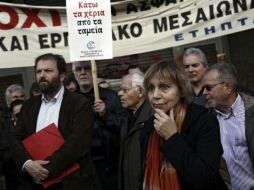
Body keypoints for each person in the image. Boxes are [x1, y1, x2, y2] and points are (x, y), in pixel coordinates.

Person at [10, 53, 100, 190]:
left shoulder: (80, 103)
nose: (42, 75)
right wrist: (27, 163)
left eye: (48, 71)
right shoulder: (29, 105)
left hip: (72, 183)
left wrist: (44, 170)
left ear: (62, 76)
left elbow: (77, 144)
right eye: (39, 71)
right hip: (36, 183)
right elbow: (15, 138)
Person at [140, 61, 227, 190]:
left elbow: (205, 178)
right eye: (151, 88)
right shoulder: (149, 126)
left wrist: (172, 137)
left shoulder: (204, 121)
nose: (155, 95)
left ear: (181, 91)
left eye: (164, 87)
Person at [72, 61, 125, 190]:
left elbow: (123, 125)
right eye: (78, 69)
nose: (83, 72)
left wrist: (105, 114)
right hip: (85, 167)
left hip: (111, 166)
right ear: (74, 73)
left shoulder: (111, 96)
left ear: (94, 71)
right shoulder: (70, 101)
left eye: (87, 68)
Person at [202, 62, 254, 190]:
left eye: (208, 87)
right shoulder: (207, 119)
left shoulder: (251, 112)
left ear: (227, 87)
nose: (204, 92)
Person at [118, 72, 153, 190]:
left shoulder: (152, 118)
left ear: (140, 91)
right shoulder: (126, 117)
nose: (119, 93)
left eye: (125, 90)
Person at [1, 99, 25, 190]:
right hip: (17, 182)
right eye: (18, 115)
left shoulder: (37, 128)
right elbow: (6, 157)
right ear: (12, 117)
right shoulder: (6, 133)